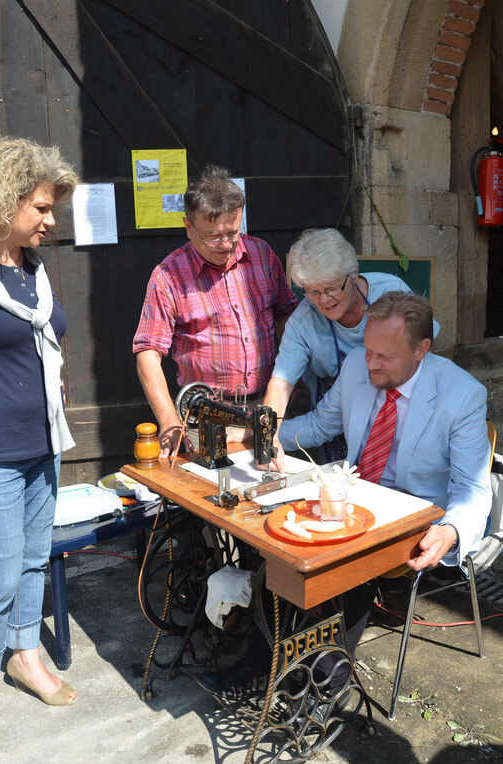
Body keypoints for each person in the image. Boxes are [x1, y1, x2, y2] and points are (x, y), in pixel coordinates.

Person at [276, 291, 492, 687]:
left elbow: (473, 488)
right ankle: (268, 657)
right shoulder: (357, 364)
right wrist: (265, 436)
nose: (370, 363)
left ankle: (325, 682)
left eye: (385, 357)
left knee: (350, 566)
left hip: (415, 513)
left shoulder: (462, 395)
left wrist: (451, 530)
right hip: (357, 495)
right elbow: (321, 425)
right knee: (278, 542)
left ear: (421, 350)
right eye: (368, 350)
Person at [0, 137, 78, 761]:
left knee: (34, 559)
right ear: (2, 201)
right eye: (40, 207)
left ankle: (25, 656)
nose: (50, 220)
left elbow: (41, 339)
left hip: (45, 443)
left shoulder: (30, 269)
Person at [133, 165, 298, 457]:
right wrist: (169, 420)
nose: (225, 245)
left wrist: (290, 384)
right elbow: (148, 353)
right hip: (205, 418)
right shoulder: (168, 276)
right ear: (188, 226)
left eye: (233, 233)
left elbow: (288, 319)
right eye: (212, 236)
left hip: (267, 406)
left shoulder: (262, 255)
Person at [263, 228, 437, 462]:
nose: (324, 300)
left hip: (398, 412)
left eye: (332, 288)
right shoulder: (303, 322)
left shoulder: (390, 291)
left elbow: (425, 357)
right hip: (333, 421)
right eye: (313, 291)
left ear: (353, 274)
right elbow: (282, 383)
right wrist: (267, 434)